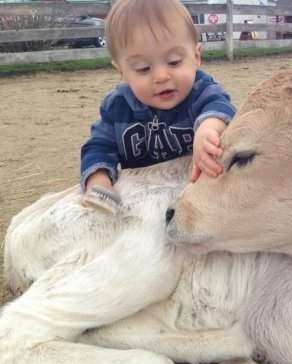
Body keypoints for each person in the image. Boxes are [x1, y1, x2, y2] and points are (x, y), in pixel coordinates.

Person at [80, 0, 235, 211]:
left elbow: (219, 107)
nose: (161, 76)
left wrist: (208, 128)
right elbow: (98, 146)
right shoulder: (117, 107)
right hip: (144, 202)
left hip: (196, 194)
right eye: (143, 68)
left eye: (174, 62)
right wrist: (98, 180)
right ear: (122, 72)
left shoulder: (201, 91)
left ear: (196, 57)